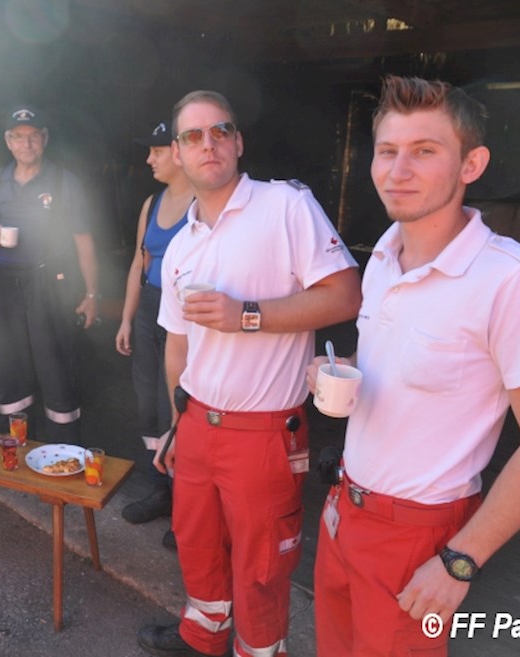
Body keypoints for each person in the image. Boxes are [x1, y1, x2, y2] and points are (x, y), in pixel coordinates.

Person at [308, 76, 520, 657]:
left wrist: (461, 559)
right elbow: (398, 360)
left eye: (425, 151)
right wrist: (341, 370)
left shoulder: (513, 279)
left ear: (470, 164)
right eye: (387, 151)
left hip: (421, 536)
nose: (398, 170)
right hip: (344, 510)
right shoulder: (384, 257)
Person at [138, 91, 361, 657]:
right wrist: (176, 424)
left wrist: (248, 315)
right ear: (178, 154)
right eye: (192, 136)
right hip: (196, 424)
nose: (207, 144)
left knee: (262, 569)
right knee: (197, 545)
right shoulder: (181, 244)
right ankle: (203, 635)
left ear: (238, 142)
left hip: (263, 432)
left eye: (220, 131)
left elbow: (345, 295)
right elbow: (177, 345)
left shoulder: (284, 206)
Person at [0, 105, 100, 443]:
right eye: (18, 137)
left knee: (54, 363)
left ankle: (64, 448)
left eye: (33, 136)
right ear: (8, 141)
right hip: (5, 283)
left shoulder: (63, 182)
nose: (26, 144)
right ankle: (15, 444)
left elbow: (83, 239)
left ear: (44, 139)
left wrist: (91, 294)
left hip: (50, 284)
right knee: (9, 364)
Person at [115, 121, 190, 547]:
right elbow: (138, 264)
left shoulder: (204, 201)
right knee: (147, 400)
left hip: (184, 313)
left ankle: (187, 506)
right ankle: (159, 489)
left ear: (178, 152)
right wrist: (127, 319)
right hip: (149, 308)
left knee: (176, 404)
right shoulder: (152, 202)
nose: (149, 159)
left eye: (156, 151)